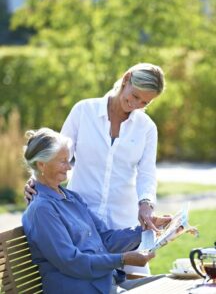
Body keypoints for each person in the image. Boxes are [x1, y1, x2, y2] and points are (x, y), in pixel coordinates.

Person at [25, 62, 165, 274]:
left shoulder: (146, 128)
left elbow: (147, 173)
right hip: (81, 218)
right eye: (135, 96)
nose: (137, 104)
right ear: (126, 79)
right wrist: (36, 178)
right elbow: (58, 156)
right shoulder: (84, 111)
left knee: (133, 278)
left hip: (122, 222)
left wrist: (146, 204)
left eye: (145, 102)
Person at [22, 128, 171, 294]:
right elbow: (71, 261)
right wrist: (122, 259)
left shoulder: (71, 197)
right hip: (81, 289)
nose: (69, 168)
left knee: (173, 283)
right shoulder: (42, 210)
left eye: (68, 160)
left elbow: (106, 239)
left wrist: (146, 229)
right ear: (42, 164)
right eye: (63, 161)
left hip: (105, 284)